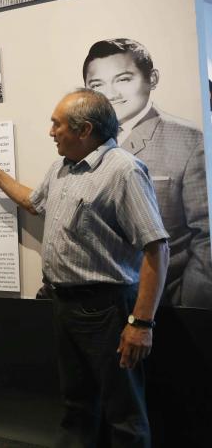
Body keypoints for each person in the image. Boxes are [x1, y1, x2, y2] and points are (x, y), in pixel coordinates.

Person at [0, 90, 168, 447]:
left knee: (124, 412)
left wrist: (141, 324)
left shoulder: (123, 171)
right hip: (65, 305)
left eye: (56, 124)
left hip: (106, 310)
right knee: (77, 405)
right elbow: (32, 202)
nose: (51, 132)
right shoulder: (62, 168)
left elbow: (157, 247)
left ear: (84, 129)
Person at [83, 38, 211, 308]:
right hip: (99, 306)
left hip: (165, 303)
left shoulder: (189, 140)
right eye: (97, 85)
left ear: (152, 79)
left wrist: (191, 306)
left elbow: (206, 235)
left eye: (123, 79)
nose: (111, 94)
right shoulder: (85, 141)